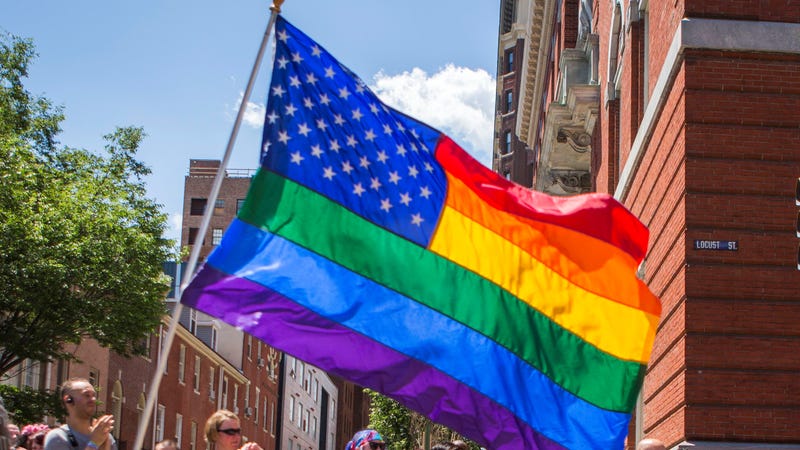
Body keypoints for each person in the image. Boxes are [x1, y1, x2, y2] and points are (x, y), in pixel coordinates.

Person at [44, 378, 116, 450]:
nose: (93, 399)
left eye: (93, 395)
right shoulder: (58, 437)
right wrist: (94, 443)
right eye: (87, 395)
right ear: (68, 400)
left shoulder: (104, 436)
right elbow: (95, 442)